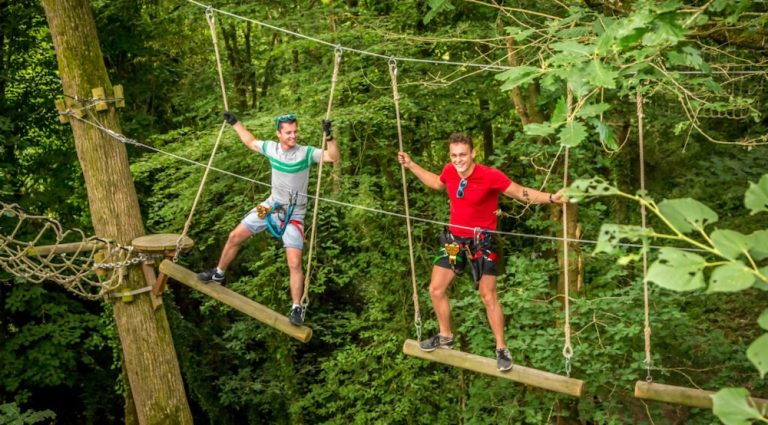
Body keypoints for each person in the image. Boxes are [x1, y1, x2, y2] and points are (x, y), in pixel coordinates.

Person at [397, 133, 564, 371]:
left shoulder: (490, 176)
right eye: (454, 155)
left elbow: (519, 192)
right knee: (435, 289)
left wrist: (551, 198)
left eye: (463, 155)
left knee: (488, 295)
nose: (458, 160)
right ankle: (445, 337)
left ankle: (501, 348)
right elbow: (436, 182)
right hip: (454, 240)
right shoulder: (449, 171)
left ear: (473, 153)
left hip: (482, 242)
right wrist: (411, 165)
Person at [198, 111, 340, 326]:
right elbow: (250, 141)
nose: (293, 136)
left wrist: (329, 137)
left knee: (294, 262)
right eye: (288, 132)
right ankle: (218, 273)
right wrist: (235, 122)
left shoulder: (306, 153)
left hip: (294, 214)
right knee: (235, 235)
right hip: (270, 205)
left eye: (295, 131)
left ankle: (296, 307)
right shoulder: (271, 148)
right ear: (278, 134)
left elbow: (333, 157)